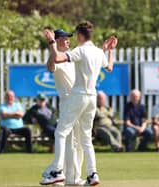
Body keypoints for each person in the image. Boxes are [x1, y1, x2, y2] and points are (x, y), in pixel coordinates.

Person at [41, 22, 117, 186]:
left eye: (72, 36)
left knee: (62, 134)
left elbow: (64, 57)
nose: (70, 40)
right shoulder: (93, 51)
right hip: (90, 98)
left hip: (77, 98)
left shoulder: (78, 51)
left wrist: (51, 41)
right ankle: (91, 174)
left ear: (80, 35)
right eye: (66, 38)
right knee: (83, 140)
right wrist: (108, 50)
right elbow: (108, 66)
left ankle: (57, 171)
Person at [40, 29, 84, 186]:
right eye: (64, 39)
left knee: (78, 143)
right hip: (67, 102)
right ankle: (53, 172)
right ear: (57, 40)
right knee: (68, 141)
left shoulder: (70, 55)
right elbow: (50, 67)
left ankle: (73, 177)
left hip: (79, 102)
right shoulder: (56, 56)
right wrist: (52, 44)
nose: (67, 41)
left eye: (68, 39)